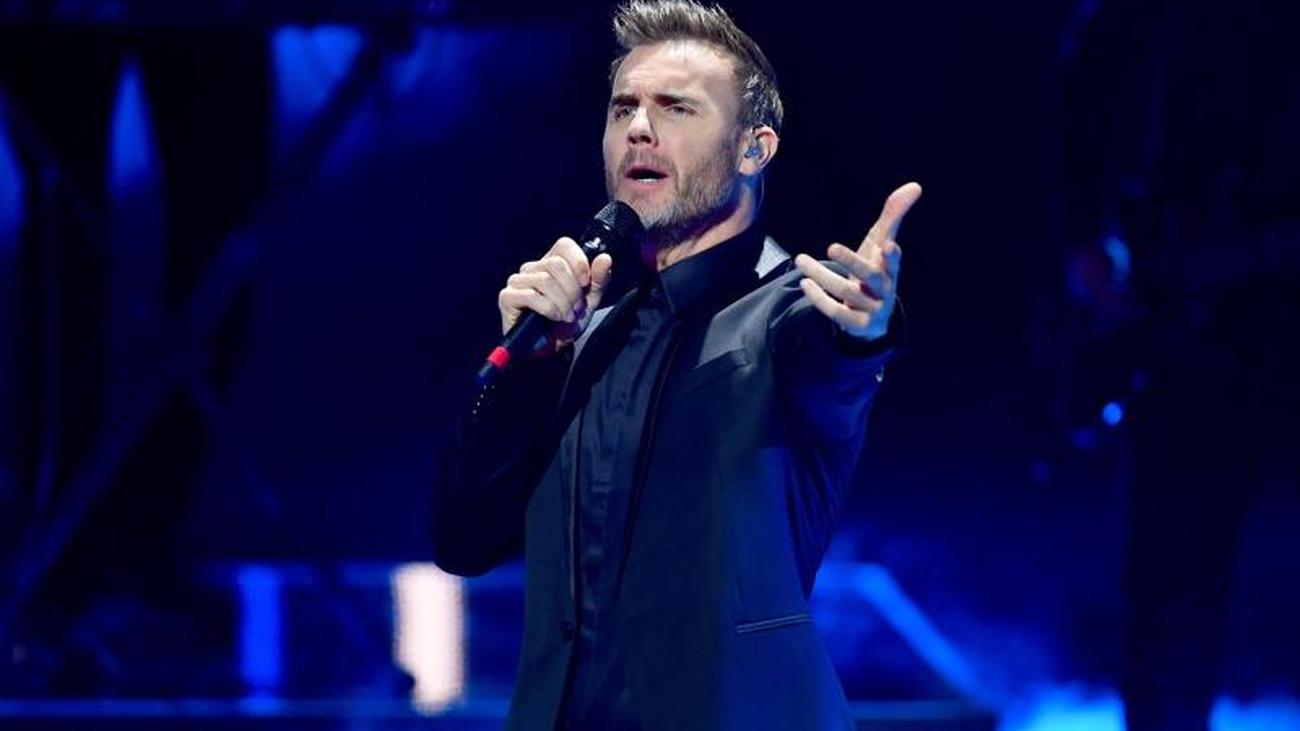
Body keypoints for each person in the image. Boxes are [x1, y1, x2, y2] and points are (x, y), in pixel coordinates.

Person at [431, 2, 921, 728]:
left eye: (676, 107)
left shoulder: (784, 314)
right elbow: (463, 543)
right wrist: (524, 375)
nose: (639, 127)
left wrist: (866, 325)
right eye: (623, 107)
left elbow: (832, 355)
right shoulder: (580, 335)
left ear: (753, 150)